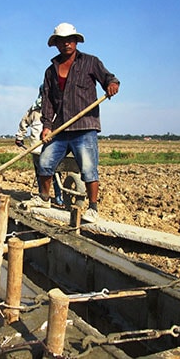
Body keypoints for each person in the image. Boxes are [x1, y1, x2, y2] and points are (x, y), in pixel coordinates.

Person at [22, 23, 120, 223]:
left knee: (88, 168)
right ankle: (44, 198)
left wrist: (112, 85)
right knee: (45, 161)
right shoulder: (51, 71)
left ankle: (93, 208)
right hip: (61, 128)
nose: (66, 43)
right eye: (62, 40)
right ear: (56, 44)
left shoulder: (90, 62)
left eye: (70, 39)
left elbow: (109, 78)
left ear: (76, 41)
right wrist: (47, 125)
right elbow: (48, 101)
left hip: (84, 127)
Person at [15, 85, 64, 206]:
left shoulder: (53, 108)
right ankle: (50, 195)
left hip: (49, 148)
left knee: (49, 173)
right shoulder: (36, 110)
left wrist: (19, 137)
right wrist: (19, 136)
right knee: (48, 173)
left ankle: (53, 195)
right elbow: (24, 123)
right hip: (41, 148)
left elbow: (24, 123)